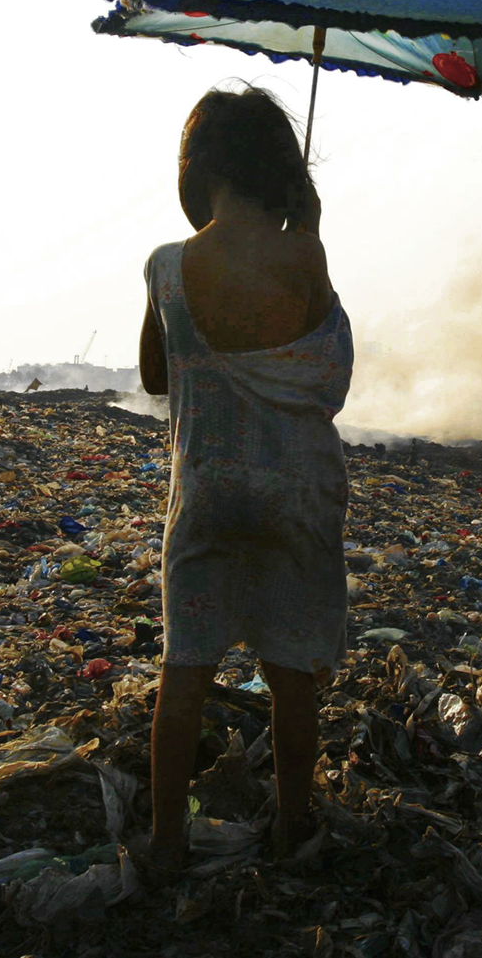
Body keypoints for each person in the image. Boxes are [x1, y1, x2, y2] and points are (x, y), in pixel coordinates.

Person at [137, 84, 354, 876]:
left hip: (205, 493)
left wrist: (165, 305)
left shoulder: (166, 264)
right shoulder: (305, 255)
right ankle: (293, 825)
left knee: (185, 668)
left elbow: (157, 377)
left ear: (200, 168)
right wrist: (313, 235)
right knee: (292, 673)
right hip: (294, 494)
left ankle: (165, 843)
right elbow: (331, 369)